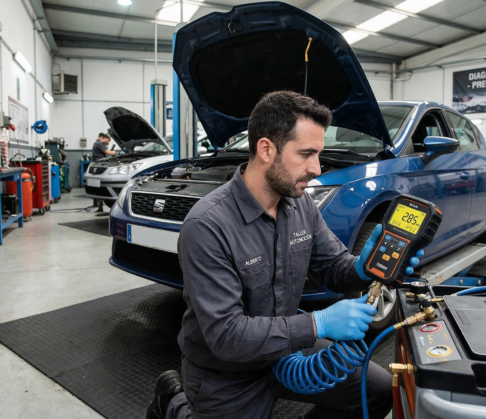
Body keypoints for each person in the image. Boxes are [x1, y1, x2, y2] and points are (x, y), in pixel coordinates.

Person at [146, 91, 424, 419]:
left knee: (377, 392)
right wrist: (317, 323)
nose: (316, 168)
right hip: (228, 372)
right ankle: (173, 401)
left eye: (318, 154)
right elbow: (226, 336)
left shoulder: (299, 202)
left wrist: (363, 267)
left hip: (288, 348)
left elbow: (334, 266)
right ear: (266, 149)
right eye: (306, 154)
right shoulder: (207, 225)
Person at [91, 133, 116, 213]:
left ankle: (99, 206)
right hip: (100, 166)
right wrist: (113, 152)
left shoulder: (97, 143)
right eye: (107, 140)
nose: (107, 142)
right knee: (101, 185)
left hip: (97, 165)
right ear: (102, 138)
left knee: (97, 185)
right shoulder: (99, 143)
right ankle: (100, 206)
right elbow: (108, 152)